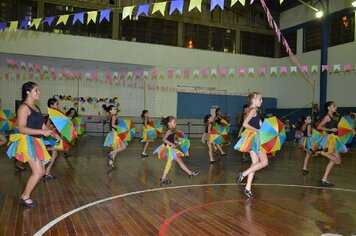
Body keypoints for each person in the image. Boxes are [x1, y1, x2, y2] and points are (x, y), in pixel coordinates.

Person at [7, 82, 54, 207]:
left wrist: (51, 133)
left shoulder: (36, 108)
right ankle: (25, 196)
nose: (39, 92)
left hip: (36, 141)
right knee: (38, 171)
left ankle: (25, 195)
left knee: (42, 171)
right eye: (36, 90)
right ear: (28, 92)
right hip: (28, 142)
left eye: (38, 90)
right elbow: (21, 128)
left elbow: (41, 124)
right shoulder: (24, 108)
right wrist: (42, 131)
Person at [235, 92, 268, 199]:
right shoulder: (253, 110)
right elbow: (245, 124)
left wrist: (266, 126)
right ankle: (244, 173)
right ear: (253, 100)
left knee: (255, 163)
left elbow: (259, 125)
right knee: (264, 162)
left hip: (252, 137)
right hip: (254, 138)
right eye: (260, 99)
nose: (261, 101)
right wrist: (257, 129)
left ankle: (248, 188)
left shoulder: (254, 110)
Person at [156, 116, 200, 185]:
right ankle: (163, 178)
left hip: (171, 149)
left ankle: (189, 173)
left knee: (176, 161)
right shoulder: (169, 130)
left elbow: (173, 140)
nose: (176, 123)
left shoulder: (171, 131)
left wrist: (178, 142)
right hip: (168, 149)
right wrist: (171, 144)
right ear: (169, 123)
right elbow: (164, 139)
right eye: (174, 122)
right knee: (172, 163)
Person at [317, 101, 347, 187]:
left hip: (335, 138)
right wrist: (330, 130)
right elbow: (319, 127)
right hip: (331, 140)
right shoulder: (327, 117)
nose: (336, 107)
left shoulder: (334, 117)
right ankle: (322, 152)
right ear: (328, 107)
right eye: (334, 106)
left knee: (332, 161)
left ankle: (324, 179)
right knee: (337, 161)